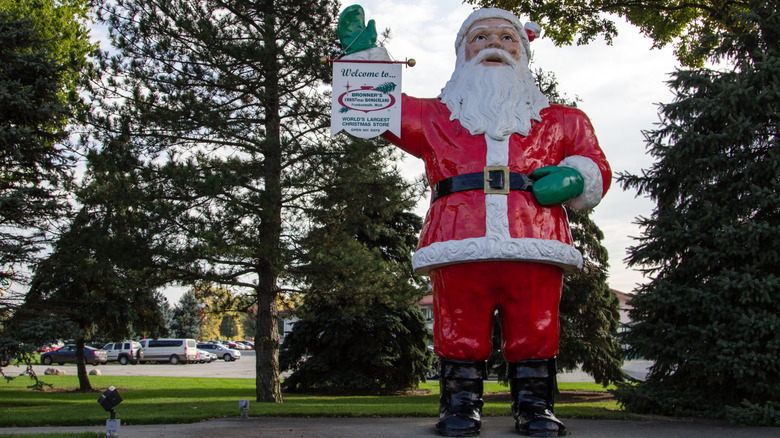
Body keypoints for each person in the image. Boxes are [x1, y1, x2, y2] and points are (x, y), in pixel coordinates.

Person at [338, 6, 611, 437]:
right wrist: (363, 56)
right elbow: (379, 109)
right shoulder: (433, 117)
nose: (493, 47)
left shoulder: (562, 120)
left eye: (506, 38)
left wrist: (576, 176)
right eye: (479, 38)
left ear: (523, 52)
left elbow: (595, 164)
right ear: (462, 52)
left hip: (535, 240)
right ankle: (460, 405)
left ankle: (535, 406)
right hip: (458, 239)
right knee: (458, 324)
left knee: (537, 324)